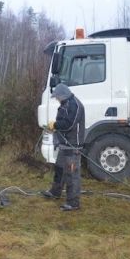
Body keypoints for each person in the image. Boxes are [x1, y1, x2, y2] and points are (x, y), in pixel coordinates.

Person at [41, 83, 85, 211]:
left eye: (57, 97)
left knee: (72, 174)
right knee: (59, 169)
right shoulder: (65, 104)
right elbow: (63, 122)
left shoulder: (75, 105)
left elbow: (69, 124)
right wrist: (53, 127)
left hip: (73, 145)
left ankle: (73, 203)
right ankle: (55, 192)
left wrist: (55, 124)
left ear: (63, 94)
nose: (56, 99)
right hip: (64, 144)